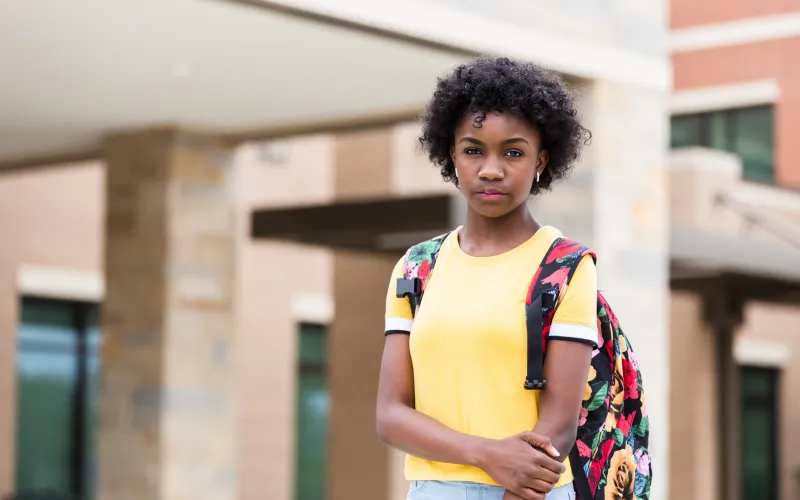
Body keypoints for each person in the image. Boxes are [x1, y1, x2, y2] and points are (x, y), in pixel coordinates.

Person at [376, 56, 596, 500]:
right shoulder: (417, 268)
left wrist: (514, 481)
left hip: (533, 492)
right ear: (452, 155)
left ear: (541, 160)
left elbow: (559, 425)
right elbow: (391, 415)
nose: (491, 169)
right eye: (474, 150)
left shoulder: (564, 266)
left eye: (513, 152)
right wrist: (485, 453)